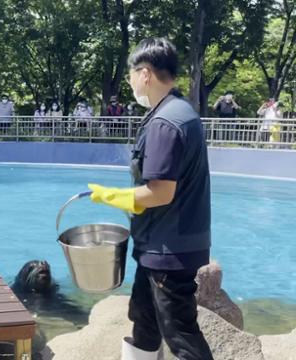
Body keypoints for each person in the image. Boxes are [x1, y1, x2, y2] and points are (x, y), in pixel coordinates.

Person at [89, 38, 213, 360]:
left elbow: (161, 192)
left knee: (181, 335)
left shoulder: (165, 122)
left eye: (131, 75)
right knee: (144, 322)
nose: (130, 82)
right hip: (162, 247)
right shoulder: (180, 111)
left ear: (145, 74)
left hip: (169, 250)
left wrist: (112, 196)